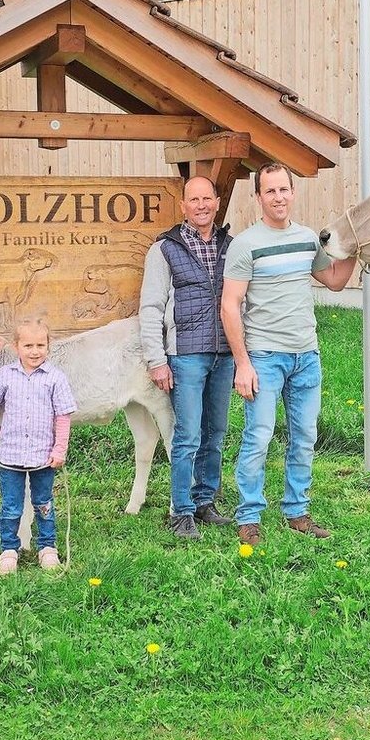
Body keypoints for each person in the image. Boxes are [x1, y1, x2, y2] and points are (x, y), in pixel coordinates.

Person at [221, 163, 357, 546]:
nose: (278, 197)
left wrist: (354, 247)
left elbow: (334, 281)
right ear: (259, 197)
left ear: (293, 193)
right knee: (259, 437)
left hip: (305, 356)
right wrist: (243, 364)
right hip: (264, 356)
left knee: (304, 436)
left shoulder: (307, 239)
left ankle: (297, 511)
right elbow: (230, 306)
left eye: (284, 190)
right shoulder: (245, 244)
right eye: (270, 191)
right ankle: (249, 516)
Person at [139, 175, 236, 540]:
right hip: (185, 355)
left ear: (216, 201)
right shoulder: (165, 248)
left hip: (224, 353)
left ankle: (204, 501)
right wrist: (156, 360)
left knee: (216, 432)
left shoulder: (231, 245)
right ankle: (180, 511)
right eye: (193, 200)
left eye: (206, 199)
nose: (201, 205)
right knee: (188, 435)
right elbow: (150, 308)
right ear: (183, 206)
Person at [0, 317, 76, 575]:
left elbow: (63, 416)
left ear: (48, 346)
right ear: (16, 347)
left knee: (44, 502)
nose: (35, 351)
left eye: (40, 345)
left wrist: (59, 449)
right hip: (11, 455)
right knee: (11, 505)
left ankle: (47, 547)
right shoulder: (6, 375)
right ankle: (9, 548)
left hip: (43, 456)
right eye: (28, 345)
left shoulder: (56, 378)